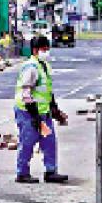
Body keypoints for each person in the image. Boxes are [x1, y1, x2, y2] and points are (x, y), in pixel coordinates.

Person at [13, 36, 69, 184]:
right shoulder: (30, 68)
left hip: (43, 112)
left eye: (47, 49)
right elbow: (26, 93)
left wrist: (55, 109)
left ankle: (51, 171)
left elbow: (47, 91)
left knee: (48, 141)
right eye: (44, 49)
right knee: (27, 141)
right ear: (35, 50)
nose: (47, 52)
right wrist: (35, 116)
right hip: (28, 113)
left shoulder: (44, 66)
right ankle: (22, 173)